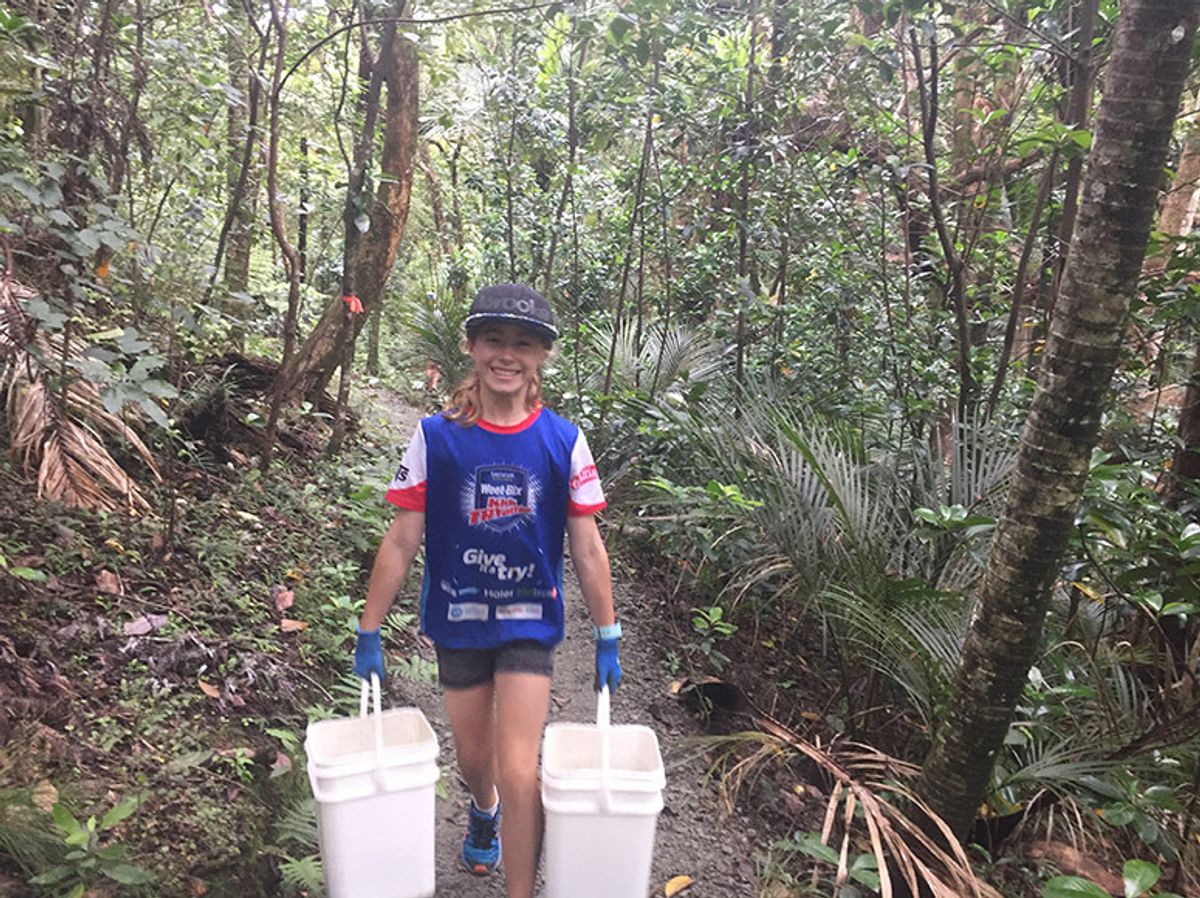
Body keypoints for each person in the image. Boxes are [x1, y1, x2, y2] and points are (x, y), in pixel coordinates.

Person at [353, 283, 623, 898]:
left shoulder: (563, 440)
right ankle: (483, 808)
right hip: (459, 619)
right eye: (494, 340)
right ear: (471, 347)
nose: (507, 354)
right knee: (476, 762)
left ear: (541, 356)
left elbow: (587, 547)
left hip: (529, 622)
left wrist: (607, 632)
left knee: (519, 767)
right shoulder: (436, 437)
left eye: (523, 344)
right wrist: (369, 628)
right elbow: (401, 540)